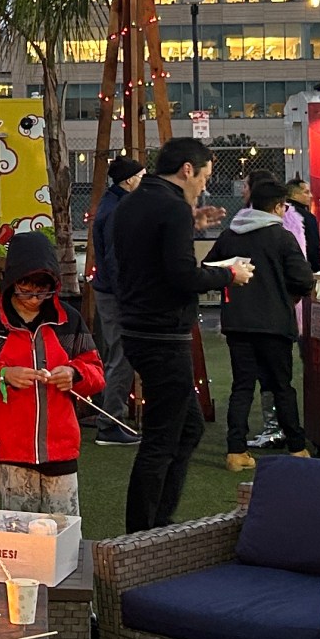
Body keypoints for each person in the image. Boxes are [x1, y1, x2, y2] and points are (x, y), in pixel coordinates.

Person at [112, 138, 251, 533]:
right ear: (187, 169)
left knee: (186, 430)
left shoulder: (134, 202)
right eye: (204, 176)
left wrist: (190, 222)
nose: (204, 186)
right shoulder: (171, 207)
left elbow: (151, 253)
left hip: (139, 328)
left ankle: (158, 522)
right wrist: (229, 274)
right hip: (163, 334)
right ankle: (143, 532)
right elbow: (182, 275)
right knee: (160, 440)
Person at [0, 229, 103, 516]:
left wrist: (74, 374)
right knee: (19, 538)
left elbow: (95, 371)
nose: (33, 298)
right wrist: (2, 375)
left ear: (53, 285)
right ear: (11, 282)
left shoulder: (69, 319)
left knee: (64, 533)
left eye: (42, 290)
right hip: (10, 452)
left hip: (61, 448)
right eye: (24, 289)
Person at [208, 174, 312, 471]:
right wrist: (285, 296)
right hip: (275, 323)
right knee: (282, 386)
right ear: (279, 207)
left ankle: (236, 452)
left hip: (238, 323)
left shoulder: (230, 235)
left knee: (242, 386)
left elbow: (210, 267)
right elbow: (303, 279)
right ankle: (297, 447)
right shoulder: (282, 237)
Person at [84, 156, 145, 446]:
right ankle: (111, 421)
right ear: (129, 179)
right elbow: (115, 257)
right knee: (122, 356)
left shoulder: (111, 204)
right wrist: (128, 295)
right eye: (141, 176)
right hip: (116, 294)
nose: (143, 180)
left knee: (117, 354)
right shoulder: (119, 209)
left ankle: (109, 415)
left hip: (109, 290)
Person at [287, 176, 320, 271]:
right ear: (294, 195)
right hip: (302, 267)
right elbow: (313, 246)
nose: (311, 196)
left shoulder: (278, 213)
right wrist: (315, 269)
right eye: (306, 192)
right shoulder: (307, 217)